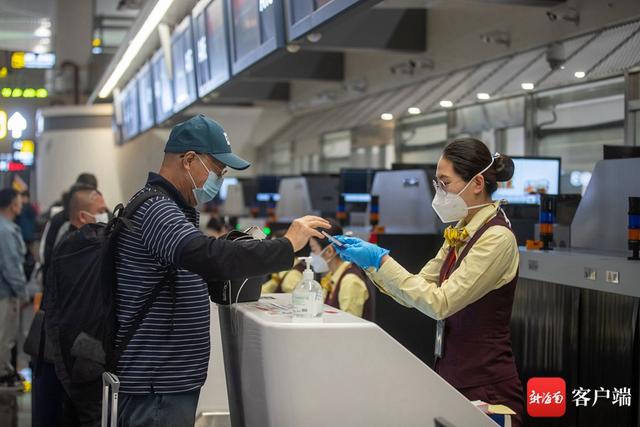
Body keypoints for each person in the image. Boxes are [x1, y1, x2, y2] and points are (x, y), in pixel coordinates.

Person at [114, 114, 329, 426]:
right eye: (217, 171)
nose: (219, 180)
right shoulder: (157, 209)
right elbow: (210, 258)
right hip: (156, 387)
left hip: (166, 383)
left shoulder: (173, 209)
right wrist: (286, 245)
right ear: (189, 160)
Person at [334, 138, 523, 426]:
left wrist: (382, 261)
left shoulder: (496, 237)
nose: (439, 193)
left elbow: (440, 303)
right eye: (437, 184)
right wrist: (370, 265)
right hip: (453, 375)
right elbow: (417, 290)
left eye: (445, 183)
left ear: (477, 183)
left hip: (487, 385)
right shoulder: (461, 231)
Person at [32, 186, 109, 427]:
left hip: (69, 352)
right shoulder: (76, 250)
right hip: (77, 353)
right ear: (82, 216)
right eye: (101, 210)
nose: (106, 215)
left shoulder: (77, 245)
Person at [309, 219, 374, 319]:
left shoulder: (350, 281)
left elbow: (349, 325)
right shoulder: (332, 276)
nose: (311, 256)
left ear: (329, 251)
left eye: (313, 250)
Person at [0, 188, 28, 387]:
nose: (22, 203)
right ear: (11, 203)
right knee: (5, 335)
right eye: (19, 200)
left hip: (5, 291)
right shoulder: (6, 231)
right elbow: (11, 266)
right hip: (6, 293)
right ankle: (3, 373)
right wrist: (22, 292)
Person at [261, 230, 307, 294]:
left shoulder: (294, 273)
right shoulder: (280, 270)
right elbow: (270, 286)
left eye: (275, 247)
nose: (271, 251)